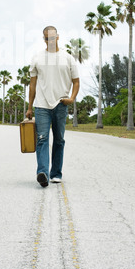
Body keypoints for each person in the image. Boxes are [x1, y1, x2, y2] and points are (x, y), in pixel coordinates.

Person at [26, 26, 80, 188]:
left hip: (61, 104)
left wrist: (71, 98)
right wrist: (30, 107)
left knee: (59, 139)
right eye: (46, 38)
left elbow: (76, 81)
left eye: (52, 37)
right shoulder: (37, 58)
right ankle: (42, 173)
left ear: (57, 37)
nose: (49, 40)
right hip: (41, 106)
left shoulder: (68, 58)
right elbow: (32, 86)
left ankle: (56, 173)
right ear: (44, 39)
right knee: (42, 139)